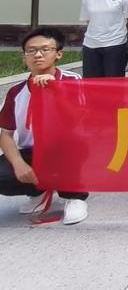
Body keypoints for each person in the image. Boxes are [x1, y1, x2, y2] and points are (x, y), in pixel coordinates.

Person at [0, 27, 89, 225]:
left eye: (45, 49)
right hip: (32, 151)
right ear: (24, 56)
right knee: (3, 174)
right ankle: (37, 191)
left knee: (73, 146)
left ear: (58, 54)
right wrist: (18, 164)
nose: (38, 55)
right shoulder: (16, 92)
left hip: (67, 147)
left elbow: (77, 121)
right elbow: (6, 134)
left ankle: (74, 196)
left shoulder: (72, 81)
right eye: (31, 51)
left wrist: (55, 90)